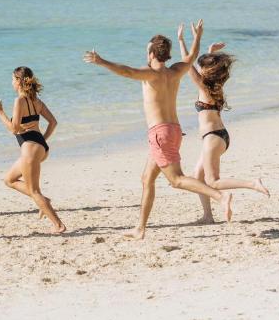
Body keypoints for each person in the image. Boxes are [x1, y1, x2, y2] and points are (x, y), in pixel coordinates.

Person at [83, 20, 232, 239]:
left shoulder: (150, 74)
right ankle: (140, 229)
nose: (146, 54)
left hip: (160, 134)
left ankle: (220, 197)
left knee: (177, 180)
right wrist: (197, 36)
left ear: (152, 53)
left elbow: (126, 71)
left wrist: (101, 61)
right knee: (147, 178)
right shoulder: (175, 71)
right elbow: (191, 57)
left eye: (147, 50)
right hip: (172, 131)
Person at [177, 35, 270, 224]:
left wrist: (181, 40)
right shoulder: (215, 87)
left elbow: (187, 66)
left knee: (213, 182)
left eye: (203, 66)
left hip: (212, 139)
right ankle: (208, 216)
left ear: (207, 72)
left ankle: (252, 183)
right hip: (220, 137)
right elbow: (204, 71)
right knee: (198, 176)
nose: (200, 69)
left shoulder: (205, 88)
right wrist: (211, 51)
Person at [0, 66, 66, 234]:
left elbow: (14, 129)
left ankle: (58, 224)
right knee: (9, 179)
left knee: (34, 191)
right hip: (40, 147)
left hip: (30, 149)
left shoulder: (20, 101)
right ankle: (44, 201)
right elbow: (53, 122)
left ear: (18, 81)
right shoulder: (37, 101)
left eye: (12, 79)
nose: (11, 82)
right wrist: (42, 140)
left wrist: (0, 112)